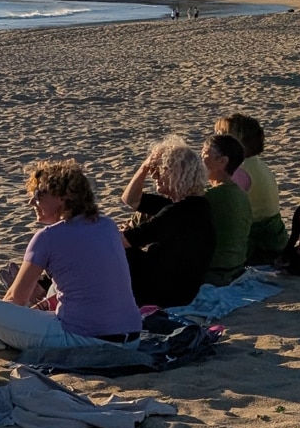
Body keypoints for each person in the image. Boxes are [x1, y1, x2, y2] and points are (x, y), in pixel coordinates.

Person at [0, 158, 142, 361]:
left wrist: (14, 318)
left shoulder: (47, 237)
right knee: (56, 286)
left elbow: (15, 299)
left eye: (38, 195)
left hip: (85, 338)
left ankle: (9, 353)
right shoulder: (108, 225)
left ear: (63, 196)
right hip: (131, 340)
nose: (31, 201)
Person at [118, 136, 215, 308]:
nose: (154, 175)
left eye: (159, 170)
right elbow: (130, 199)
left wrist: (122, 235)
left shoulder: (177, 212)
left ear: (177, 174)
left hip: (165, 292)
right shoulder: (195, 204)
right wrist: (144, 166)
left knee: (116, 252)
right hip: (181, 289)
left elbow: (123, 241)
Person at [215, 112, 284, 262]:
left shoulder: (240, 170)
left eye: (221, 134)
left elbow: (229, 210)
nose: (215, 139)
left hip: (258, 244)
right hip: (276, 237)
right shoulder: (257, 164)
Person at [202, 133, 252, 284]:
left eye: (205, 155)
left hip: (216, 272)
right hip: (236, 267)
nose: (201, 160)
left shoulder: (212, 196)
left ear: (222, 161)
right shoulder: (240, 193)